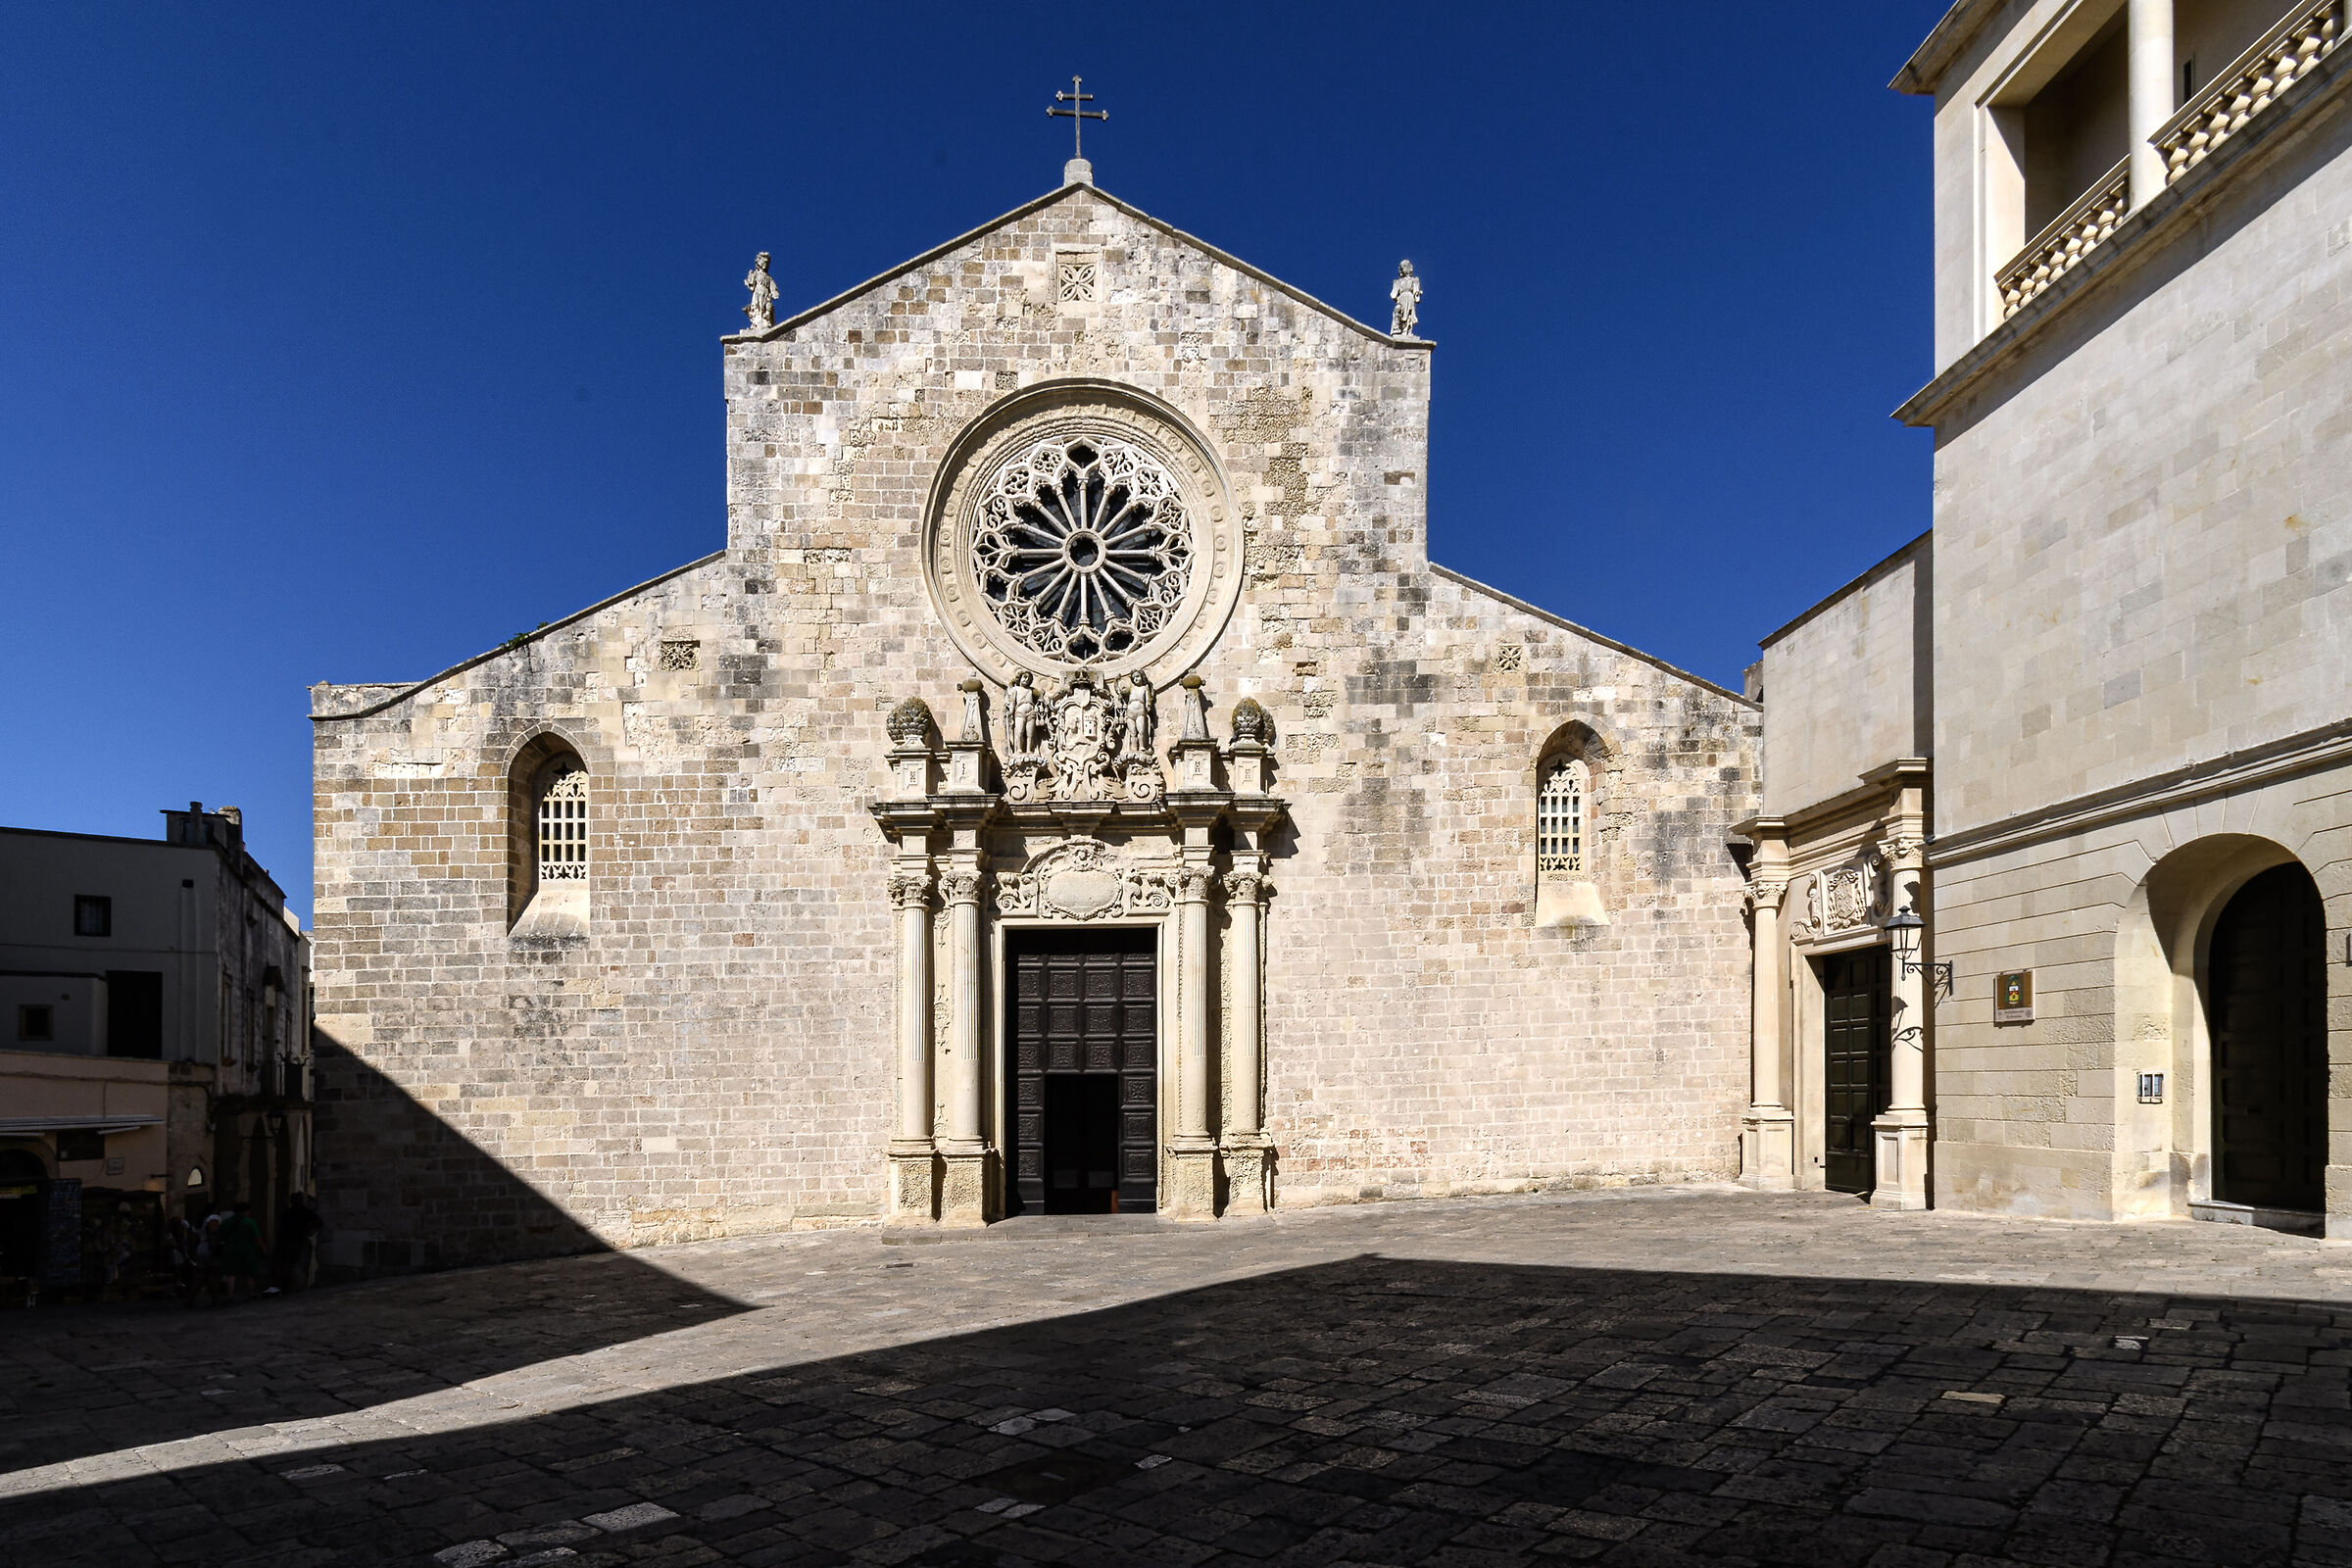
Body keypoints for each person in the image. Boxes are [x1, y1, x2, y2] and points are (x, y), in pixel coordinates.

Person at [272, 1194, 319, 1294]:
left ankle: (286, 1287)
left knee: (286, 1266)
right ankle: (297, 1288)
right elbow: (318, 1223)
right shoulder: (306, 1213)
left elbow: (280, 1229)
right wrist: (308, 1232)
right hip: (299, 1243)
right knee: (299, 1266)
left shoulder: (286, 1213)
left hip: (285, 1243)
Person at [220, 1202, 266, 1303]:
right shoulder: (250, 1222)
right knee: (249, 1273)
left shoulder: (226, 1222)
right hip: (246, 1250)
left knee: (230, 1274)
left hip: (229, 1250)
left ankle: (229, 1297)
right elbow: (257, 1238)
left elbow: (219, 1237)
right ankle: (251, 1294)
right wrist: (263, 1249)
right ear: (246, 1211)